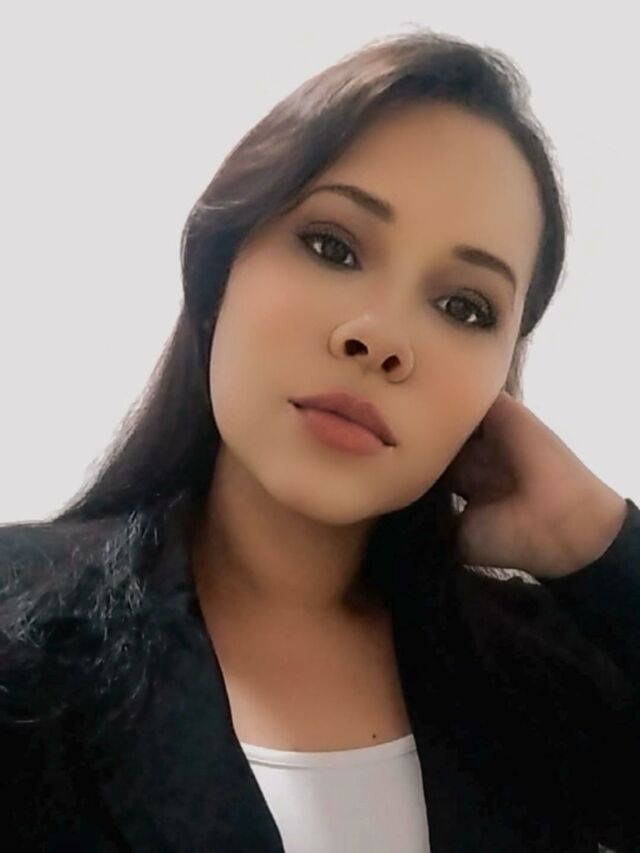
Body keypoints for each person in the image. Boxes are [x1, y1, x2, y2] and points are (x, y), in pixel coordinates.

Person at [1, 26, 638, 852]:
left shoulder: (543, 679)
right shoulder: (20, 629)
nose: (381, 337)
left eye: (464, 306)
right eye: (332, 246)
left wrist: (597, 538)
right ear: (218, 276)